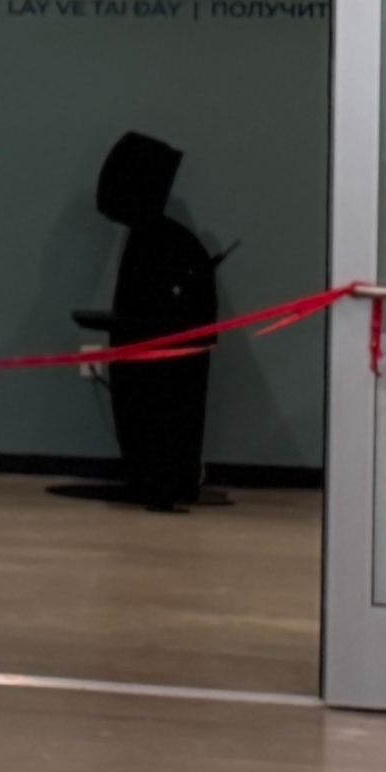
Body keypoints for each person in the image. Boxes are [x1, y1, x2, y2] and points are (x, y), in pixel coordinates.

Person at [72, 131, 224, 513]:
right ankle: (162, 478)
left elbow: (162, 306)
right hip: (156, 345)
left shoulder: (163, 241)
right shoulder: (158, 239)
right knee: (151, 413)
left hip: (162, 351)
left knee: (156, 415)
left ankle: (162, 479)